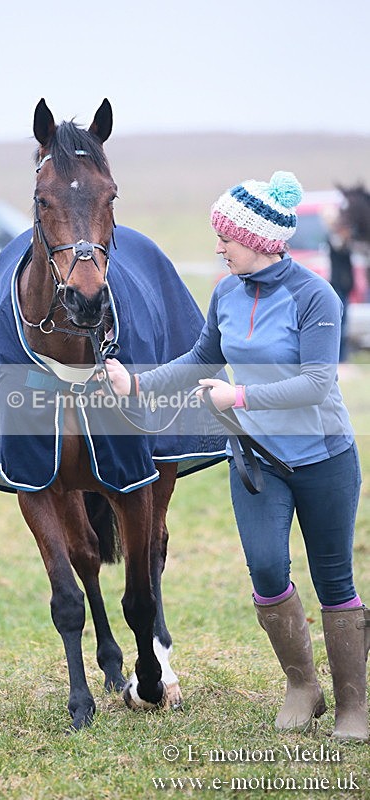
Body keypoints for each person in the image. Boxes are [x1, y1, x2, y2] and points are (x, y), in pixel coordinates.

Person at [105, 171, 370, 741]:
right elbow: (201, 358)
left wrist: (239, 396)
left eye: (225, 237)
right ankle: (303, 687)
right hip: (256, 461)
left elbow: (319, 384)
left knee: (333, 580)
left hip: (324, 458)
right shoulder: (225, 293)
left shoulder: (314, 296)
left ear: (258, 239)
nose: (218, 247)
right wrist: (138, 384)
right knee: (268, 572)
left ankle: (353, 706)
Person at [327, 216, 354, 363]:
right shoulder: (334, 240)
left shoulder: (344, 242)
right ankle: (339, 358)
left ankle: (342, 358)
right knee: (339, 324)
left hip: (344, 286)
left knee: (344, 325)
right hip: (338, 286)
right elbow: (339, 247)